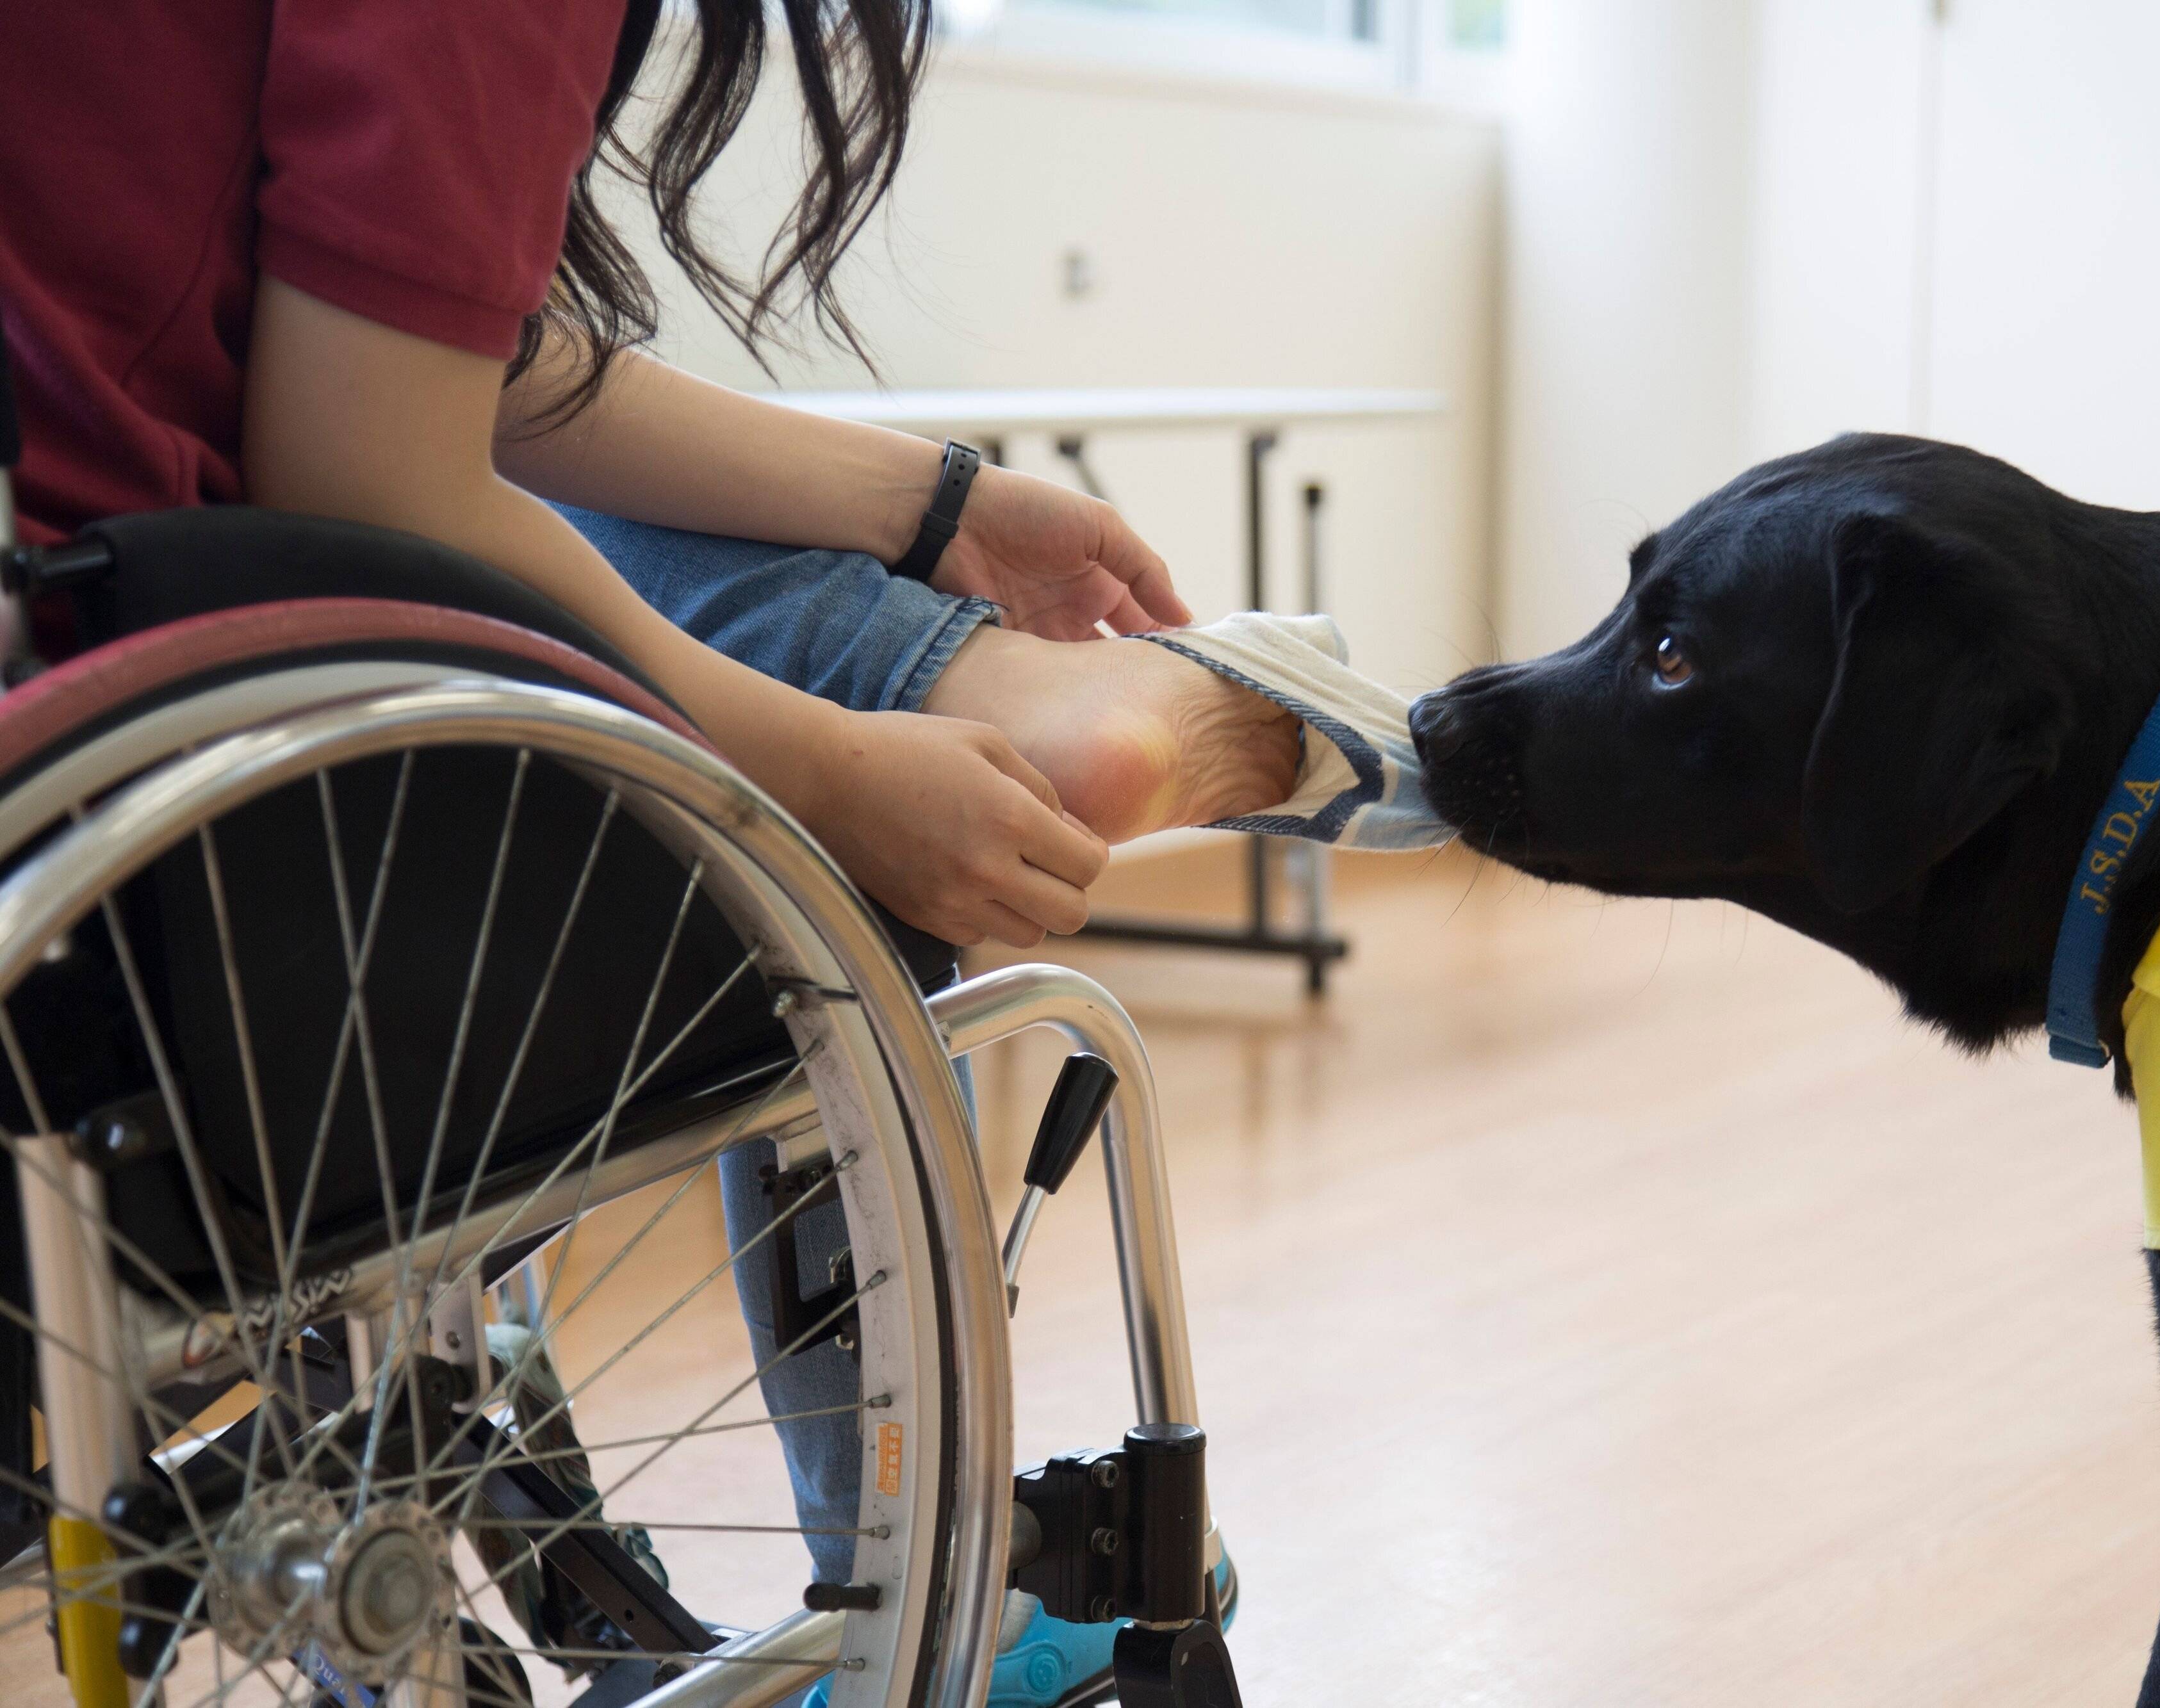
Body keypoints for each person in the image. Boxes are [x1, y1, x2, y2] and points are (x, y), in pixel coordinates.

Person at [0, 4, 1282, 1702]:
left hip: (106, 653)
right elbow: (374, 452)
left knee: (701, 587)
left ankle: (1039, 679)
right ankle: (933, 1620)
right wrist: (826, 774)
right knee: (866, 824)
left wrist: (932, 502)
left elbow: (445, 355)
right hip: (166, 744)